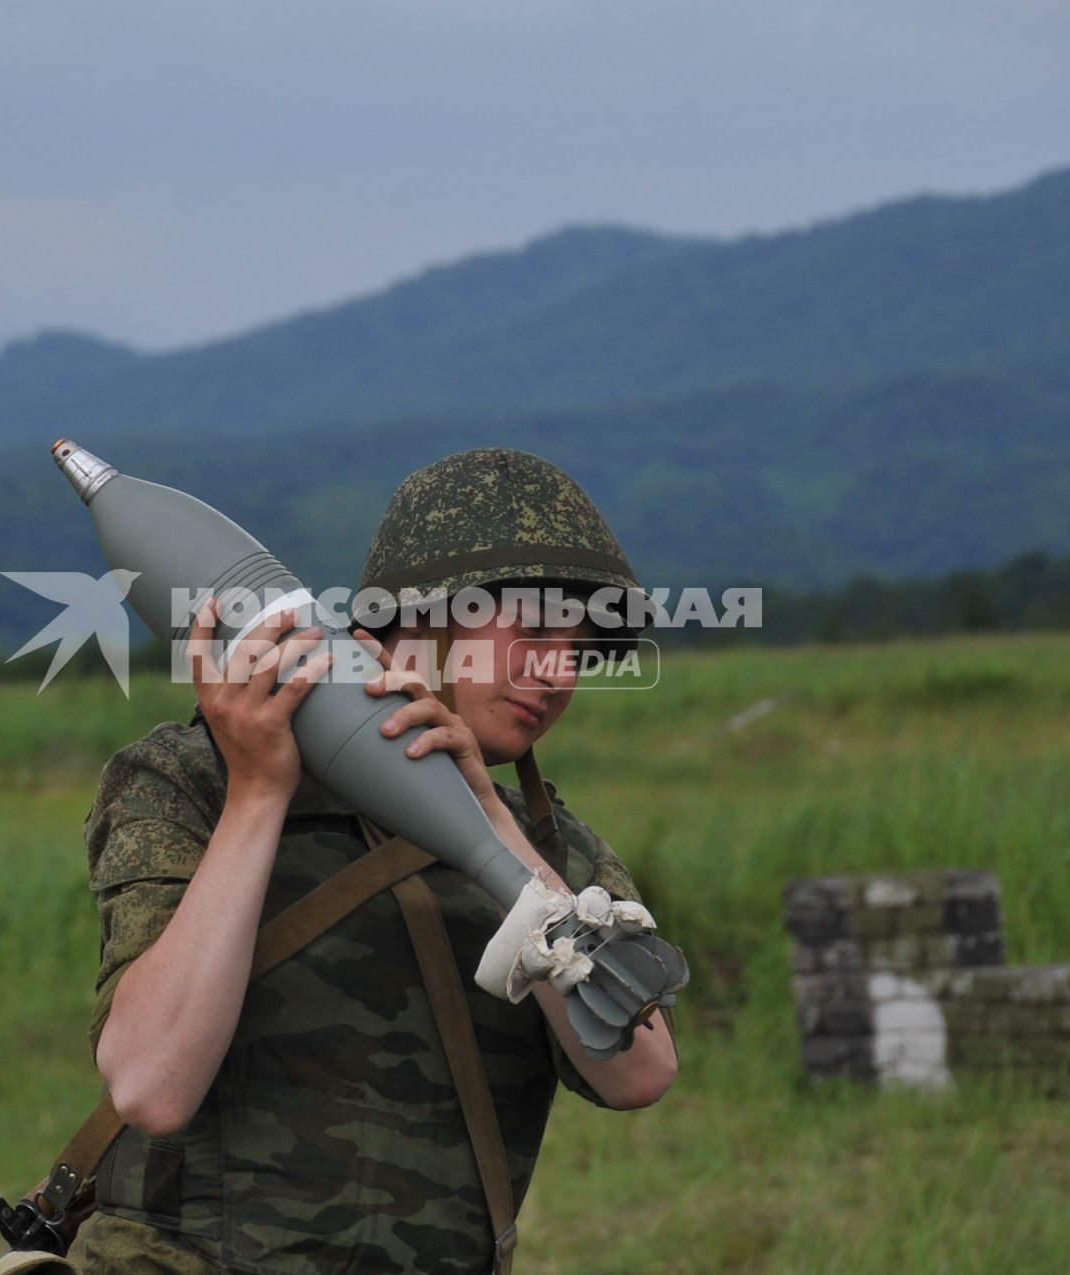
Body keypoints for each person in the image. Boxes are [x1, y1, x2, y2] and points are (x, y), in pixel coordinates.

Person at [67, 448, 678, 1274]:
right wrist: (258, 794)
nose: (557, 672)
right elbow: (152, 1084)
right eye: (532, 630)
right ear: (414, 619)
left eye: (580, 648)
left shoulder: (553, 851)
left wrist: (491, 818)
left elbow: (640, 1073)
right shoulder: (189, 782)